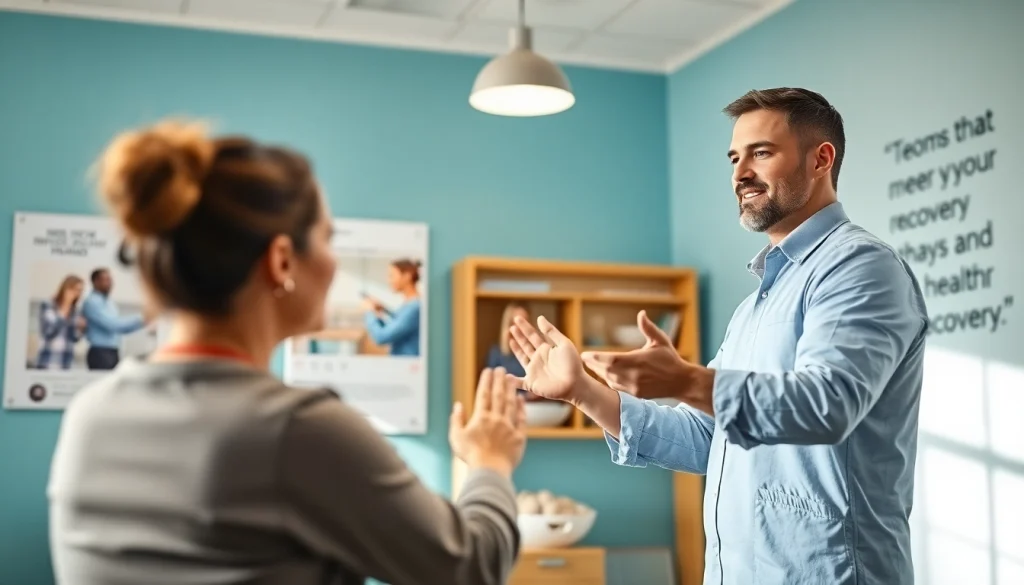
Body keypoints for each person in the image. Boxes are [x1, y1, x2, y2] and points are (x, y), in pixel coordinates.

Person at [48, 119, 528, 585]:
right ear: (281, 261)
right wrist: (490, 460)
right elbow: (471, 569)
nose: (333, 260)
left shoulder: (90, 414)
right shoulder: (298, 429)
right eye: (327, 238)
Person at [506, 88, 928, 585]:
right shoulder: (754, 307)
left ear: (821, 159)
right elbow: (710, 438)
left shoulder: (860, 268)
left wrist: (686, 381)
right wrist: (584, 392)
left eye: (761, 153)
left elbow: (827, 404)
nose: (739, 173)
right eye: (734, 157)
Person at [80, 267, 150, 369]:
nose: (110, 283)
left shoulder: (110, 302)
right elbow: (114, 325)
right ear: (96, 282)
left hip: (113, 352)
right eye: (106, 280)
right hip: (100, 352)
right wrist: (143, 318)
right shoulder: (92, 302)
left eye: (110, 280)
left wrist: (145, 320)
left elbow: (121, 328)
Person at [361, 258, 422, 356]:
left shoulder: (414, 308)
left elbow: (381, 337)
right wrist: (383, 310)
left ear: (407, 276)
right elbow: (397, 322)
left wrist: (369, 312)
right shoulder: (411, 305)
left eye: (392, 276)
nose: (389, 281)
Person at [35, 274, 86, 370]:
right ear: (66, 289)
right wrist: (65, 307)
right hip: (48, 360)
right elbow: (49, 332)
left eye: (80, 291)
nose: (77, 294)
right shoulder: (49, 305)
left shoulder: (75, 310)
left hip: (66, 362)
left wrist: (81, 328)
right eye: (75, 290)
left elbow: (74, 338)